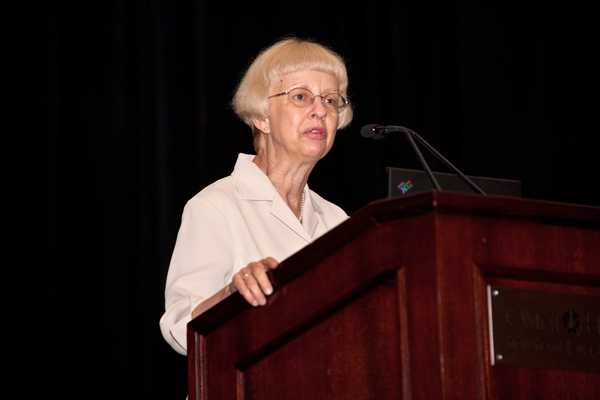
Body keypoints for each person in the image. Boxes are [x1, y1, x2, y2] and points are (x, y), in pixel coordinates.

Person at [159, 37, 353, 355]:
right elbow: (180, 328)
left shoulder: (337, 220)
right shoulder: (216, 206)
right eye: (301, 97)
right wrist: (231, 295)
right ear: (261, 117)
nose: (320, 111)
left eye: (331, 100)